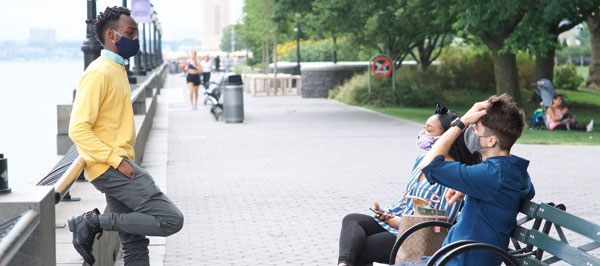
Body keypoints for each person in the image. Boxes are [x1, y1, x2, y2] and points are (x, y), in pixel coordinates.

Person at [67, 6, 184, 266]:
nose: (136, 40)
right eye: (130, 33)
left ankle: (94, 223)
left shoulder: (116, 69)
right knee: (170, 219)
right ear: (112, 35)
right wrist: (116, 160)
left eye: (137, 34)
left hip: (117, 165)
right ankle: (91, 222)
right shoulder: (98, 72)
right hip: (114, 167)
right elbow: (78, 128)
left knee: (134, 242)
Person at [393, 94, 535, 266]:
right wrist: (468, 188)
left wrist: (461, 123)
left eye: (476, 128)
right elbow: (515, 191)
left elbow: (428, 163)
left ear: (491, 140)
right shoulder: (510, 170)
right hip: (458, 255)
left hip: (461, 259)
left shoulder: (490, 175)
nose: (471, 131)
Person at [337, 105, 482, 266]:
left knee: (361, 247)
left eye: (429, 130)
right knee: (352, 220)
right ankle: (343, 264)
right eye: (423, 128)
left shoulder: (454, 172)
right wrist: (387, 214)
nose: (422, 134)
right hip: (402, 225)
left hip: (420, 235)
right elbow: (407, 200)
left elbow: (441, 221)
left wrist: (398, 221)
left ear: (446, 136)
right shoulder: (421, 161)